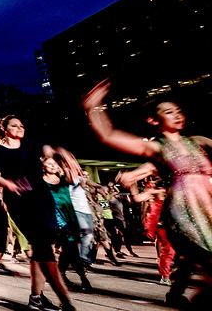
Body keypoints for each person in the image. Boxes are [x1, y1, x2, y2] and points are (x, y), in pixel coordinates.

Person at [83, 81, 212, 307]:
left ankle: (176, 294)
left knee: (190, 258)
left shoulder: (198, 142)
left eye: (178, 111)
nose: (177, 115)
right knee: (204, 257)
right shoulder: (156, 147)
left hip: (208, 209)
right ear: (154, 120)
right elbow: (109, 135)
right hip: (185, 214)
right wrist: (94, 108)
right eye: (168, 112)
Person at [0, 115, 77, 311]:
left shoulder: (30, 146)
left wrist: (63, 153)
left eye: (21, 125)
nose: (20, 128)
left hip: (43, 200)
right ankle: (66, 302)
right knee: (43, 248)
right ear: (4, 130)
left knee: (42, 249)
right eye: (14, 126)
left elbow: (50, 150)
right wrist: (8, 184)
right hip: (20, 202)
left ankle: (37, 298)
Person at [41, 157, 92, 293]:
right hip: (55, 219)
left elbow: (75, 172)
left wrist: (63, 158)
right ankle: (82, 277)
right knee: (70, 246)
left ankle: (60, 274)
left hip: (70, 216)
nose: (52, 165)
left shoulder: (64, 179)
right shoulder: (41, 182)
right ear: (43, 167)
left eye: (54, 163)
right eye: (49, 164)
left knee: (69, 248)